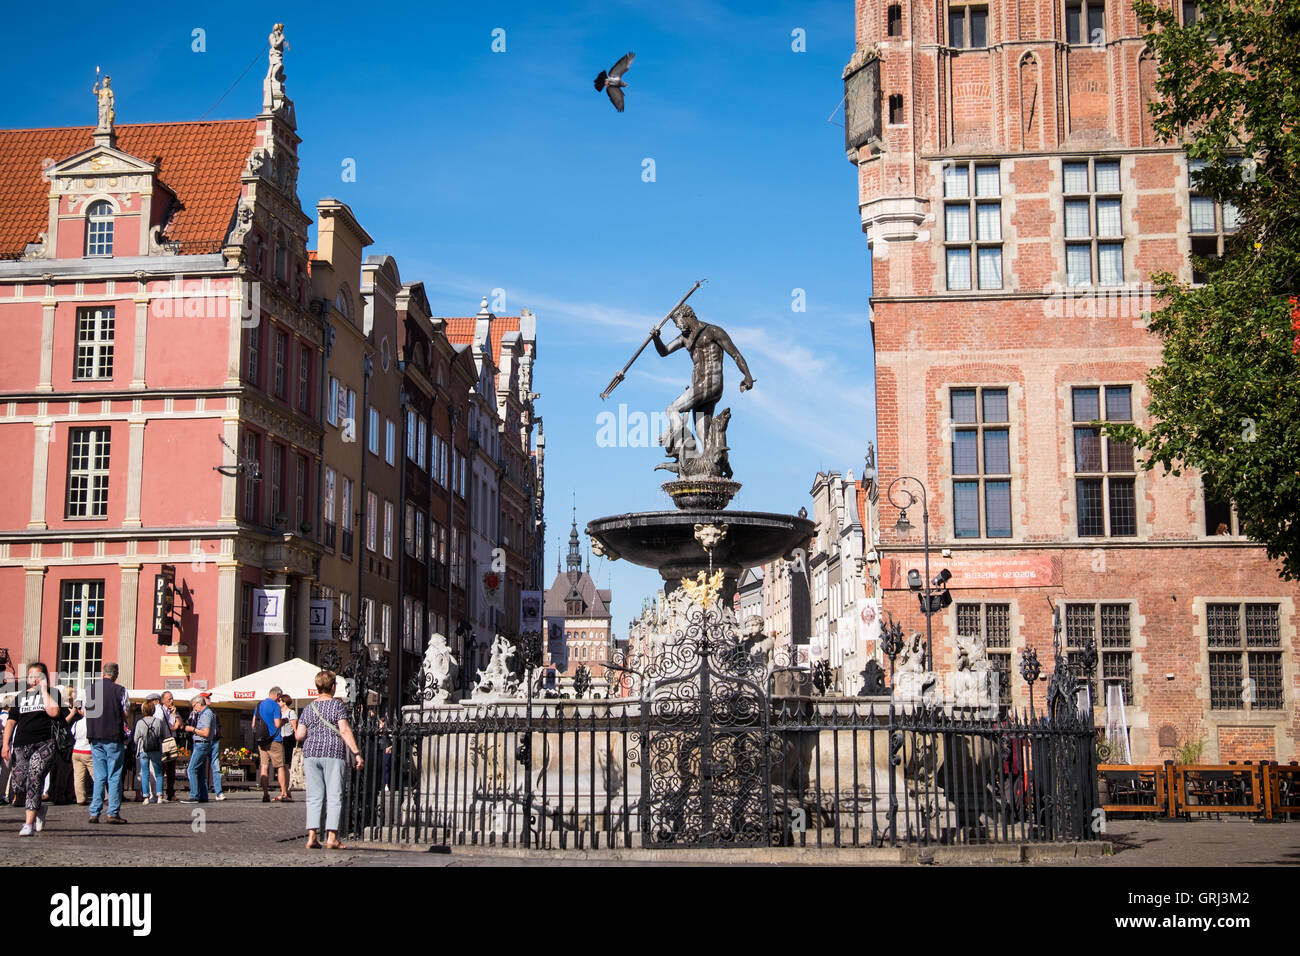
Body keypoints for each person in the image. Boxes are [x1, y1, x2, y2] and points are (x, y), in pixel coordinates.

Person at [297, 670, 362, 850]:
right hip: (333, 752)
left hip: (311, 753)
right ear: (333, 687)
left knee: (313, 796)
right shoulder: (337, 706)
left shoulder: (308, 708)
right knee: (334, 795)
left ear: (317, 687)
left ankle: (312, 836)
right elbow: (344, 730)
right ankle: (332, 837)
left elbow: (299, 734)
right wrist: (356, 752)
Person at [1, 663, 65, 834]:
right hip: (21, 745)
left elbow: (54, 713)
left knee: (35, 779)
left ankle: (28, 824)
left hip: (45, 743)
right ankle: (39, 808)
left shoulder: (53, 693)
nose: (33, 678)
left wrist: (43, 690)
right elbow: (11, 722)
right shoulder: (20, 696)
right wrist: (6, 744)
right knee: (18, 784)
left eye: (38, 675)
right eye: (30, 675)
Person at [84, 661, 130, 824]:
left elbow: (86, 711)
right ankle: (112, 812)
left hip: (95, 736)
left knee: (99, 775)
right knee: (114, 775)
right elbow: (125, 712)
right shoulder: (120, 690)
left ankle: (94, 812)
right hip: (113, 736)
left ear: (103, 673)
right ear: (116, 674)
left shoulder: (90, 690)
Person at [183, 696, 221, 803]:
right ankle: (203, 795)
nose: (194, 708)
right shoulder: (206, 713)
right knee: (200, 771)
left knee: (191, 769)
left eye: (194, 706)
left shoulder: (206, 714)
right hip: (203, 744)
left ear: (199, 703)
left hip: (202, 744)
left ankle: (194, 795)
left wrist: (192, 729)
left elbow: (205, 732)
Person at [256, 685, 288, 802]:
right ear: (277, 695)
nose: (279, 699)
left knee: (264, 766)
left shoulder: (259, 705)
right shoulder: (275, 706)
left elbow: (254, 724)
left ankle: (265, 794)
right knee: (280, 766)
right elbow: (277, 724)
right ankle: (284, 793)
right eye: (279, 697)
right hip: (274, 740)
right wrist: (284, 721)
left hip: (262, 740)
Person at [133, 700, 165, 805]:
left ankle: (146, 797)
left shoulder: (140, 722)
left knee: (145, 773)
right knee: (159, 773)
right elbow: (163, 736)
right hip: (156, 749)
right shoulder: (158, 722)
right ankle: (159, 795)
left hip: (143, 749)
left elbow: (135, 739)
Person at [68, 698, 94, 805]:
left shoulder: (77, 723)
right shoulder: (93, 723)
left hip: (77, 750)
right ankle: (105, 796)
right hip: (88, 751)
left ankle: (80, 799)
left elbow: (72, 734)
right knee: (96, 776)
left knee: (78, 777)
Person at [157, 691, 180, 802]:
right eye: (169, 699)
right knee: (162, 768)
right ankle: (159, 792)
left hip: (171, 742)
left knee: (172, 768)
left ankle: (170, 792)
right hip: (163, 741)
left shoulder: (173, 711)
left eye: (172, 698)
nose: (172, 701)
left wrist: (175, 714)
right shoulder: (159, 710)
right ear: (163, 700)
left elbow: (179, 725)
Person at [279, 694, 298, 794]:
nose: (278, 702)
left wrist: (297, 741)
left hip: (288, 739)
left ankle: (286, 789)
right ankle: (284, 788)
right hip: (280, 739)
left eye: (280, 701)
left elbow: (295, 728)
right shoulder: (278, 713)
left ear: (284, 702)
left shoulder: (291, 712)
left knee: (286, 765)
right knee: (281, 765)